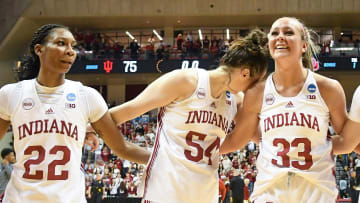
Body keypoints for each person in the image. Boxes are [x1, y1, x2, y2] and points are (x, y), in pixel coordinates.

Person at [108, 29, 269, 203]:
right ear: (245, 74)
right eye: (255, 82)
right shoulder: (185, 81)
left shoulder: (237, 100)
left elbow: (258, 138)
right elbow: (125, 111)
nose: (254, 89)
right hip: (165, 192)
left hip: (204, 194)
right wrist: (89, 128)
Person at [0, 24, 150, 203]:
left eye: (73, 46)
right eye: (61, 43)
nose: (70, 51)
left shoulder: (87, 96)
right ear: (39, 49)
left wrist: (167, 158)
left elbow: (122, 148)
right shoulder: (11, 94)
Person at [220, 17, 348, 203]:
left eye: (288, 33)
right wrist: (187, 147)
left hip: (316, 193)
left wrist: (321, 146)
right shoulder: (256, 92)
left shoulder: (328, 88)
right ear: (269, 45)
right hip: (269, 194)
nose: (280, 37)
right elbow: (236, 139)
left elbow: (349, 140)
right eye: (274, 33)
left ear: (304, 45)